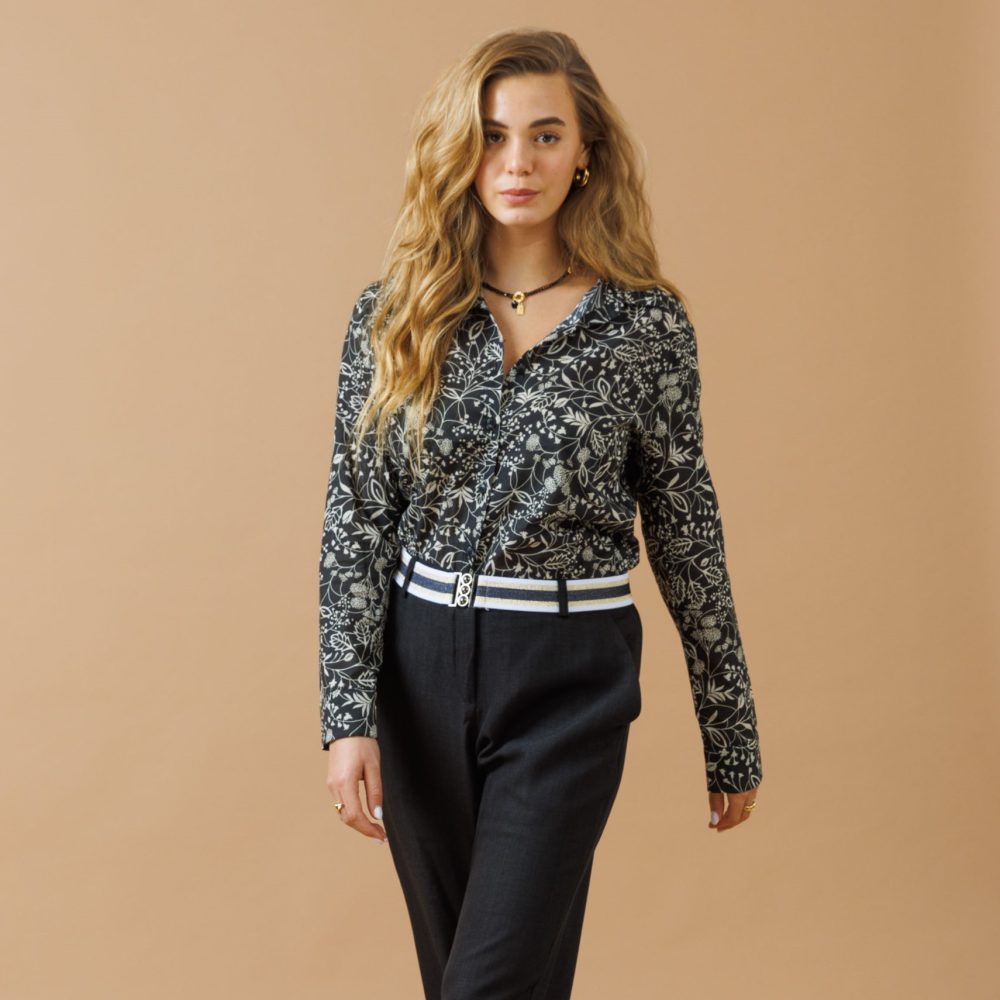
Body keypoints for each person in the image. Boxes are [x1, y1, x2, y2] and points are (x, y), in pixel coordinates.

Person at [319, 27, 764, 1000]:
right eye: (492, 135)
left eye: (545, 135)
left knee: (489, 985)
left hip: (569, 676)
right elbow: (357, 519)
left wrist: (728, 722)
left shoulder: (644, 326)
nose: (516, 161)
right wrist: (346, 714)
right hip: (419, 673)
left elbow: (685, 526)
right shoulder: (393, 314)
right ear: (459, 149)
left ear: (585, 152)